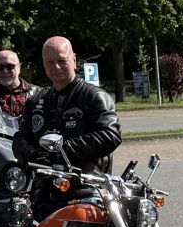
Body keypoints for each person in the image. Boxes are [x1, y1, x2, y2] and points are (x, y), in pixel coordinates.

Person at [13, 36, 121, 174]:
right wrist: (30, 154)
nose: (56, 67)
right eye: (50, 62)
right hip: (44, 180)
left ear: (74, 60)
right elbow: (21, 138)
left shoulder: (93, 96)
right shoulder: (35, 101)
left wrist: (63, 150)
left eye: (62, 61)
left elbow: (110, 135)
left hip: (85, 181)